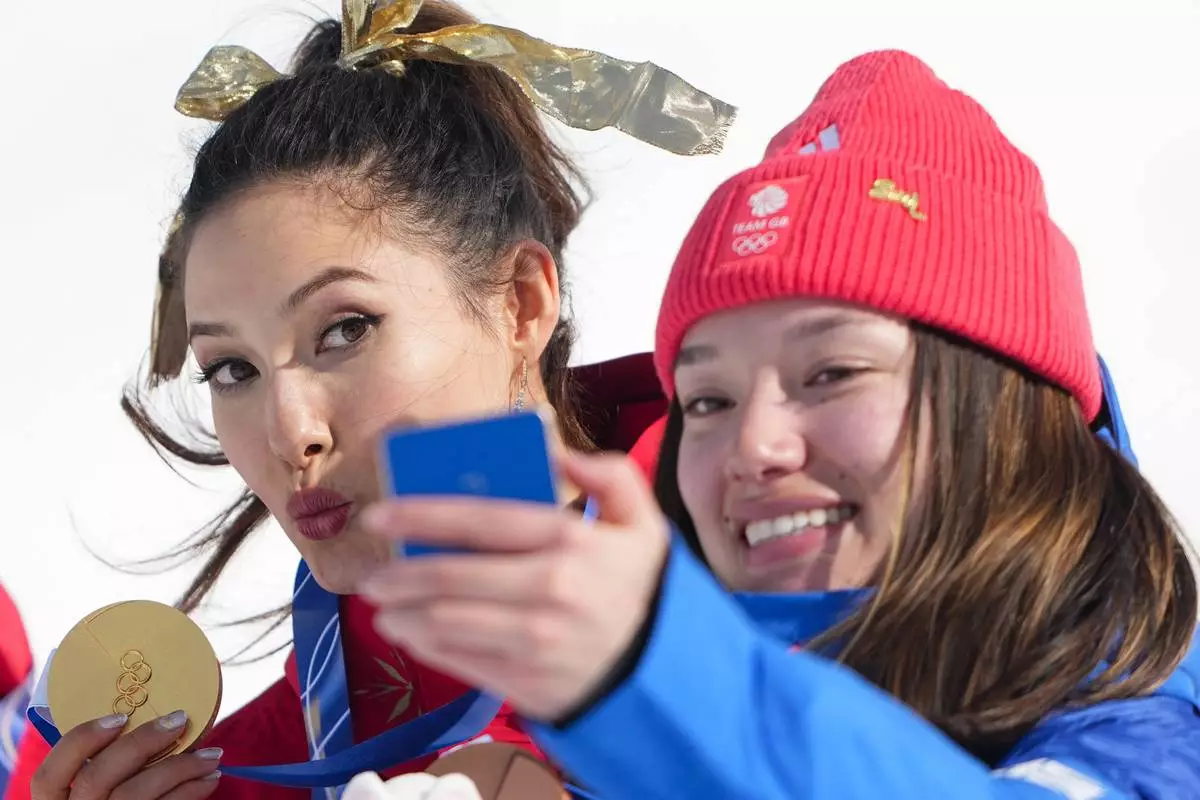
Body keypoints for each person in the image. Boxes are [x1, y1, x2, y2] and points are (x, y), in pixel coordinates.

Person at [353, 50, 1200, 798]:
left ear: (1007, 410)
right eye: (708, 401)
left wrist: (652, 676)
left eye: (832, 373)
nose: (753, 448)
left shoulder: (1148, 724)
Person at [11, 0, 737, 797]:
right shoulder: (338, 687)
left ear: (521, 304)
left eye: (346, 330)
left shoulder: (767, 567)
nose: (292, 434)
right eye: (232, 369)